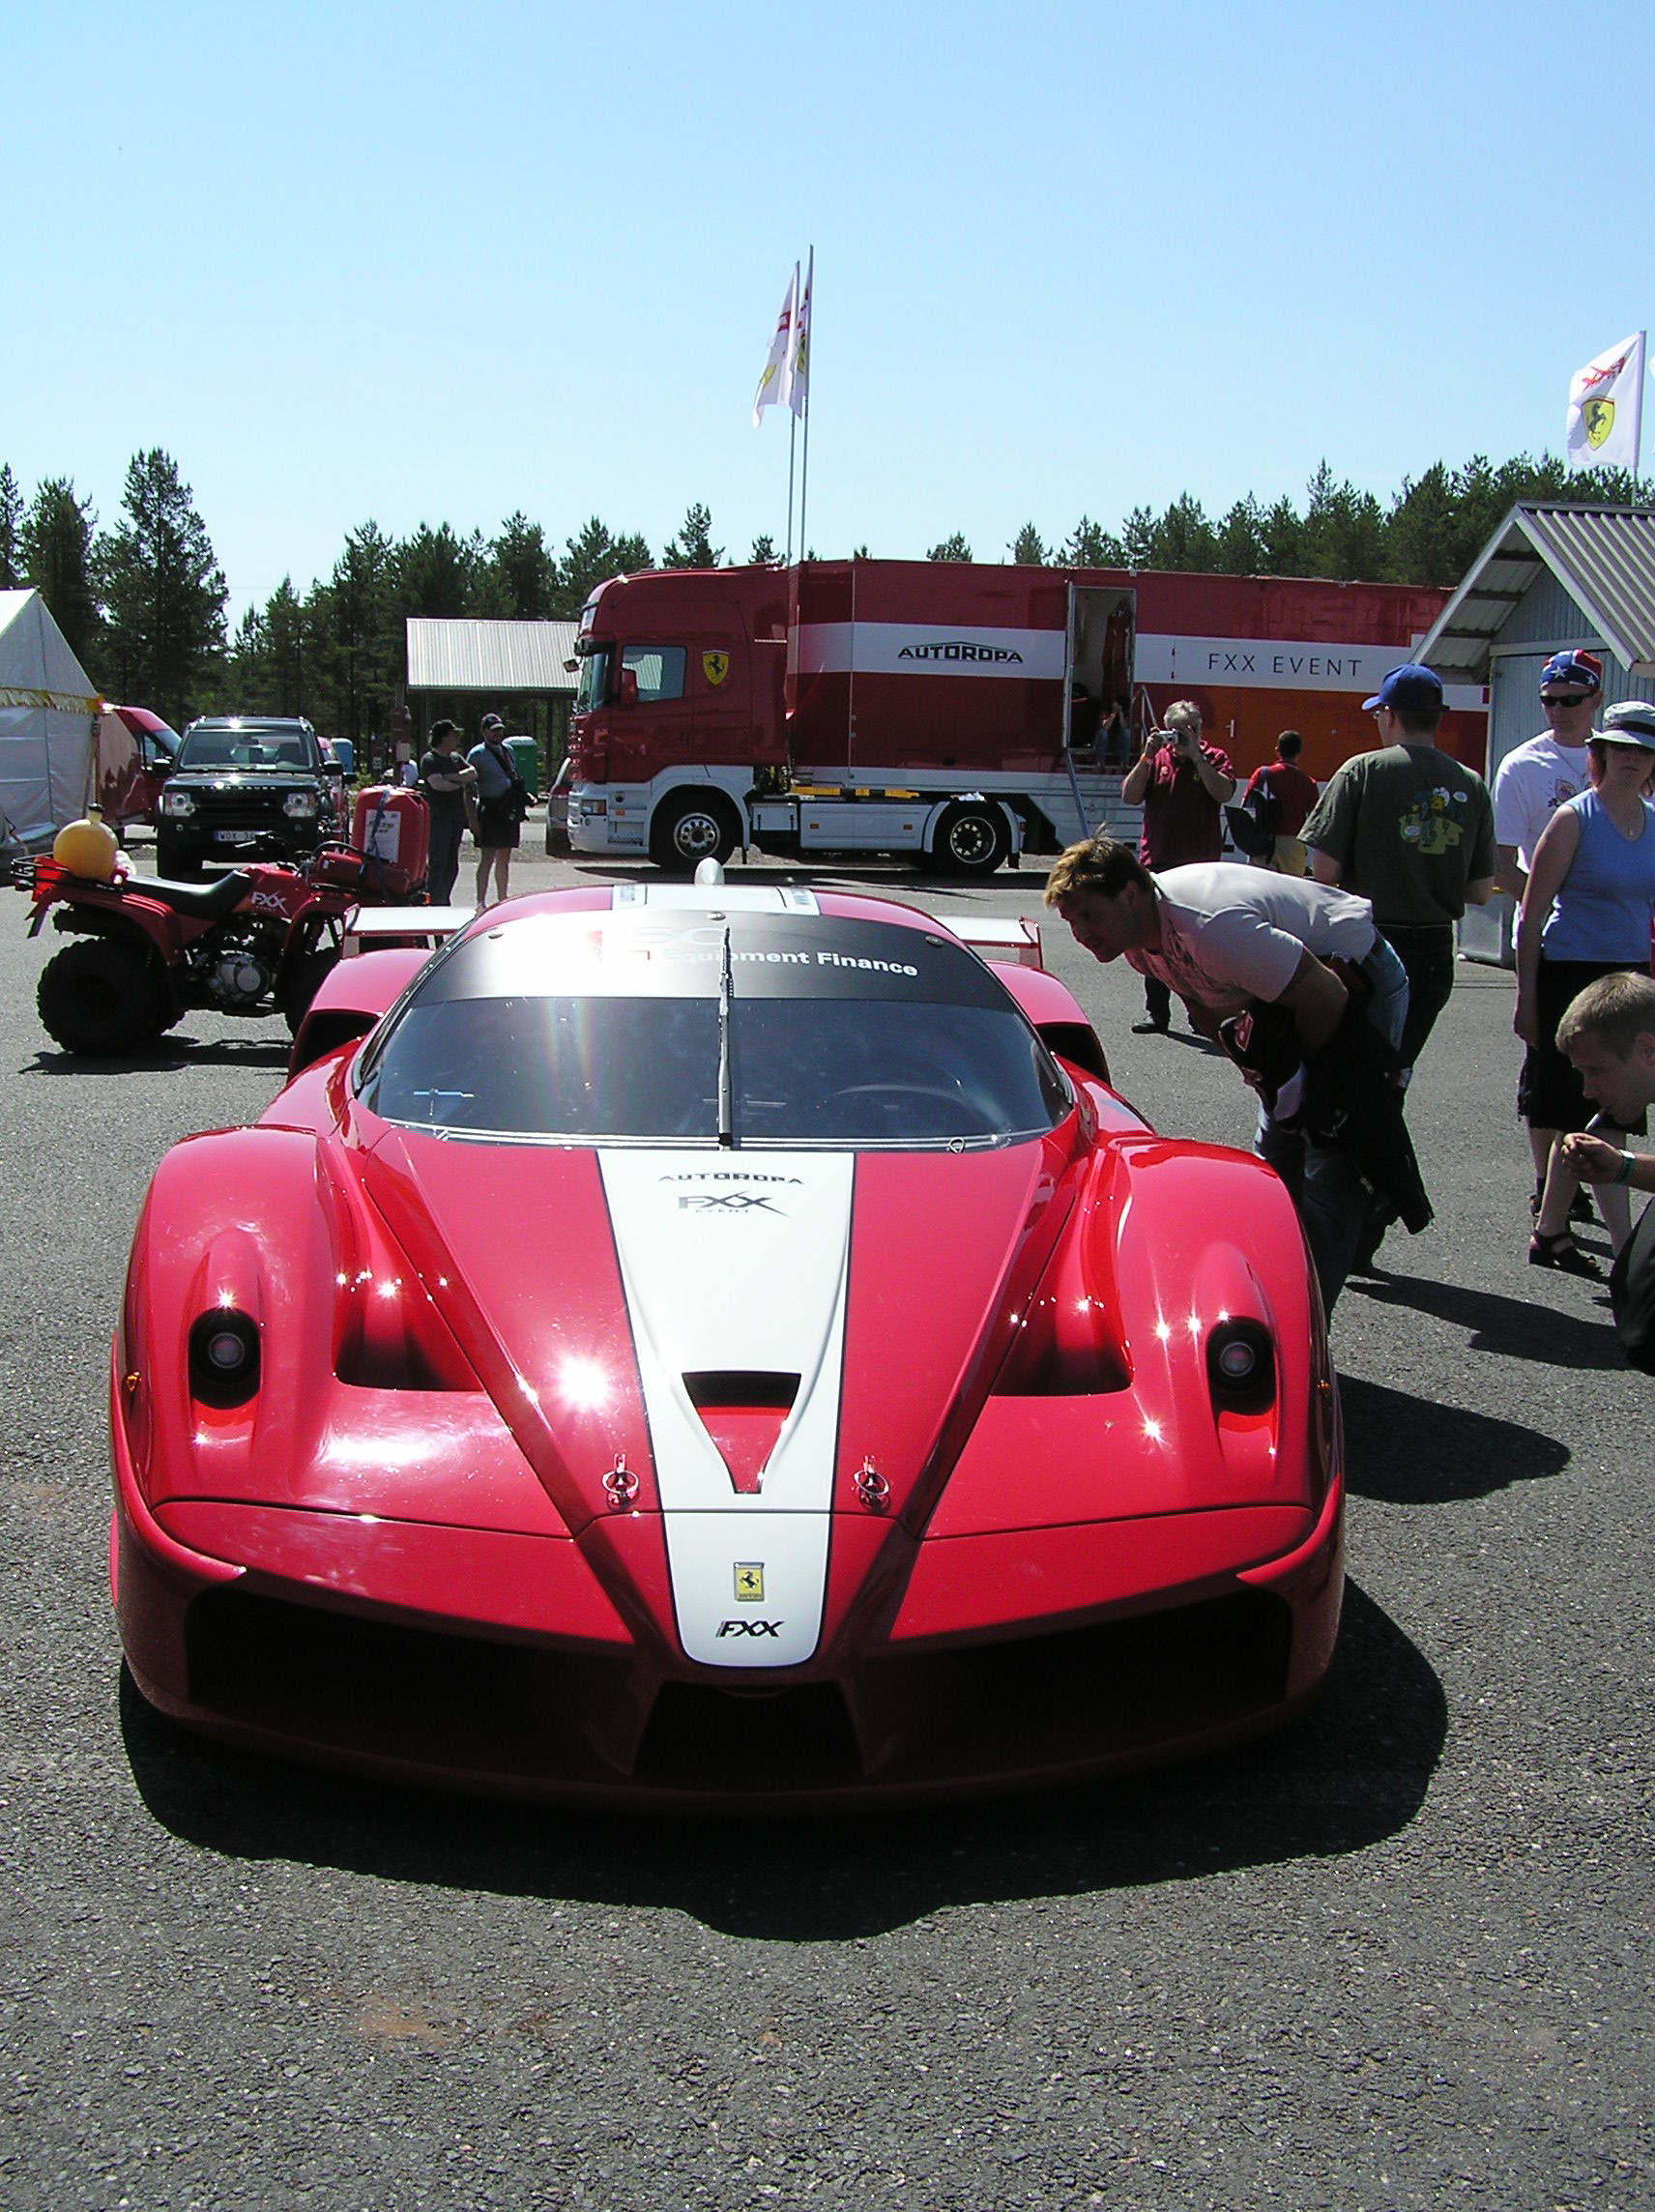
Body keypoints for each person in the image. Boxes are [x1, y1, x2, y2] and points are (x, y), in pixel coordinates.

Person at [1045, 836, 1413, 1313]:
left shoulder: (1211, 929)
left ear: (1130, 895)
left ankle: (1303, 1324)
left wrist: (1313, 1092)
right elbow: (1204, 1006)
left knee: (1331, 1153)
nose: (1081, 933)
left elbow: (1326, 996)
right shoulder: (1137, 943)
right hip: (1288, 990)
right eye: (1071, 921)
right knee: (1277, 1152)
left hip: (1357, 978)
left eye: (1090, 915)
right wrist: (1267, 1080)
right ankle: (1280, 1281)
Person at [1302, 663, 1496, 1267]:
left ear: (1388, 715)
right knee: (1390, 1082)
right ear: (1437, 719)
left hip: (1369, 948)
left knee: (1346, 1088)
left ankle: (1369, 1207)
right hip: (1435, 952)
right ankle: (1369, 1218)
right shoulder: (1470, 784)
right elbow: (1482, 891)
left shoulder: (1360, 772)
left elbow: (1324, 873)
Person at [1516, 699, 1655, 1273]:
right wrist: (1527, 997)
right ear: (1601, 754)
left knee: (1612, 1110)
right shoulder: (1575, 817)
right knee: (1575, 1104)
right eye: (1620, 747)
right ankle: (1623, 1251)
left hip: (1628, 978)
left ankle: (1553, 1231)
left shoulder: (1653, 823)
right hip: (1568, 975)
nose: (1631, 758)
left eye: (1643, 750)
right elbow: (1531, 912)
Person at [1493, 650, 1603, 1217]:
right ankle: (1549, 1180)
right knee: (1548, 1060)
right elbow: (1501, 864)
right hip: (1548, 934)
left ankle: (1592, 1166)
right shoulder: (1523, 765)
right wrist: (1549, 898)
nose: (1558, 711)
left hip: (1610, 938)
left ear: (1595, 701)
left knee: (1607, 1056)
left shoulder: (1621, 760)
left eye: (1570, 701)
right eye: (1549, 701)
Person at [1118, 699, 1235, 1033]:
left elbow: (1224, 793)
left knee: (1199, 944)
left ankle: (1202, 1015)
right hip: (1159, 861)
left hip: (1200, 866)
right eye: (1180, 731)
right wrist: (1146, 756)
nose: (1188, 736)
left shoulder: (1213, 757)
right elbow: (1130, 795)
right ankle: (1157, 1013)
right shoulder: (1158, 758)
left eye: (1194, 729)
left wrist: (1197, 758)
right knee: (1153, 940)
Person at [468, 713, 529, 908]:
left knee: (505, 857)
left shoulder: (508, 750)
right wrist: (472, 819)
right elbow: (468, 788)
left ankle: (502, 899)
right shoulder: (477, 754)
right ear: (484, 731)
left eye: (499, 730)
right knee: (487, 857)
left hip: (508, 808)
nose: (497, 734)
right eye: (493, 731)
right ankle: (480, 901)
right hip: (490, 808)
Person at [1240, 731, 1321, 874]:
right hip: (1293, 844)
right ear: (1299, 752)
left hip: (1263, 842)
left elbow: (1247, 803)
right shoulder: (1308, 782)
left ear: (1277, 751)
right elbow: (1315, 816)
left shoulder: (1263, 774)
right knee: (1291, 891)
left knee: (1261, 890)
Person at [418, 718, 477, 906]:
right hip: (438, 818)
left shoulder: (455, 759)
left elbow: (473, 772)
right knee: (438, 861)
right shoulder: (430, 760)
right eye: (453, 735)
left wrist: (453, 778)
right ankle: (433, 899)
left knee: (452, 864)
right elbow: (438, 784)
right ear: (443, 738)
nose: (456, 738)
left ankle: (444, 898)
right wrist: (460, 781)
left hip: (456, 818)